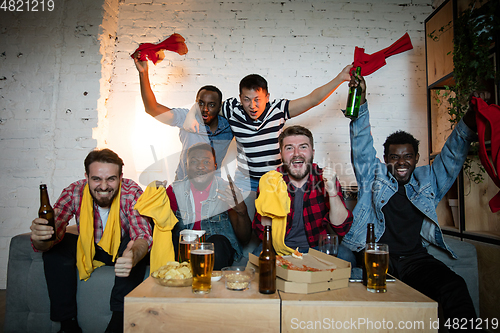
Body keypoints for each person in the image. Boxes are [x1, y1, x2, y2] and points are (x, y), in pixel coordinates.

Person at [341, 73, 478, 326]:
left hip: (415, 260)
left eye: (407, 157)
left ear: (416, 158)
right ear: (386, 159)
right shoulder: (375, 176)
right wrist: (360, 100)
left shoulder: (429, 180)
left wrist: (471, 118)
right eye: (394, 157)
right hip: (379, 258)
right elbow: (361, 143)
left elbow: (453, 154)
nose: (401, 162)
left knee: (453, 286)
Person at [183, 66, 353, 219]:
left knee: (275, 225)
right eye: (247, 99)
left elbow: (312, 99)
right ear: (240, 98)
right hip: (246, 181)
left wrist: (340, 78)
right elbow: (204, 105)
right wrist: (191, 114)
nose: (252, 105)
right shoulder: (231, 109)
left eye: (257, 99)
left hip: (274, 180)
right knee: (245, 225)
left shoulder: (278, 110)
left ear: (267, 97)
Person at [30, 149, 153, 333]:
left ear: (120, 177)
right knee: (57, 248)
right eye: (96, 179)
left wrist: (133, 255)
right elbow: (54, 231)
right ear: (86, 176)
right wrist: (42, 237)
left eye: (111, 179)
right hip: (92, 249)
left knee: (132, 243)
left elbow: (142, 235)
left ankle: (119, 321)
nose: (103, 186)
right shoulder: (74, 191)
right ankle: (67, 324)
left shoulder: (131, 192)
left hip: (122, 250)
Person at [252, 125, 355, 265]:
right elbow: (262, 232)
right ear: (281, 153)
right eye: (289, 148)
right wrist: (269, 199)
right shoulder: (270, 181)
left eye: (303, 147)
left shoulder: (324, 178)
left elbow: (342, 228)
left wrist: (332, 192)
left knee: (347, 257)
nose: (296, 153)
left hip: (317, 247)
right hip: (279, 248)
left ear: (312, 152)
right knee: (254, 263)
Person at [134, 56, 233, 180]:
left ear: (219, 107)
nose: (205, 109)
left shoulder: (229, 127)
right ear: (195, 103)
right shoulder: (186, 117)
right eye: (201, 103)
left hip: (212, 187)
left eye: (211, 105)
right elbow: (152, 109)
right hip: (183, 185)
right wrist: (143, 73)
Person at [163, 142, 252, 269]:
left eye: (206, 162)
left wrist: (242, 211)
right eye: (194, 162)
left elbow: (245, 239)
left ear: (215, 167)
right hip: (185, 252)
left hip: (217, 253)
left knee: (217, 242)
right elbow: (164, 231)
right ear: (186, 166)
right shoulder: (174, 191)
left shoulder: (226, 190)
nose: (200, 167)